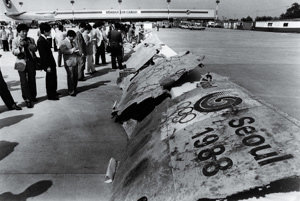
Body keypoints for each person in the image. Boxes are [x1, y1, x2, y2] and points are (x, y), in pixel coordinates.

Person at [12, 23, 37, 108]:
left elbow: (35, 49)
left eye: (26, 31)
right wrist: (20, 48)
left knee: (32, 80)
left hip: (30, 62)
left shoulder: (31, 39)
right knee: (23, 82)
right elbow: (13, 51)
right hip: (20, 62)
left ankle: (33, 96)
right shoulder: (15, 40)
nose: (25, 33)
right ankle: (27, 99)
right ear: (18, 32)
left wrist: (30, 45)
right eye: (23, 31)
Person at [37, 23, 59, 101]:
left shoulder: (44, 39)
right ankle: (51, 95)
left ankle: (54, 91)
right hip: (48, 64)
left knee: (53, 78)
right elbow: (43, 55)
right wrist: (47, 66)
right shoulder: (41, 40)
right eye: (49, 31)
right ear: (44, 31)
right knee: (50, 80)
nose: (50, 32)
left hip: (51, 62)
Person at [60, 30, 79, 96]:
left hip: (75, 61)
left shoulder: (73, 42)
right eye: (72, 37)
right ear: (69, 36)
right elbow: (63, 51)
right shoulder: (63, 42)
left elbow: (76, 48)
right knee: (70, 76)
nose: (73, 39)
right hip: (68, 62)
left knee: (75, 76)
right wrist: (72, 50)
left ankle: (74, 88)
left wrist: (77, 51)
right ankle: (71, 91)